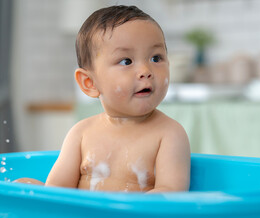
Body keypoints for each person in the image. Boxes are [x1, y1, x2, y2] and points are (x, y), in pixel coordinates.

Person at [15, 5, 190, 193]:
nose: (146, 71)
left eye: (156, 58)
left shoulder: (169, 134)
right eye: (126, 61)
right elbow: (56, 191)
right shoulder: (81, 134)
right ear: (90, 83)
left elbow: (170, 194)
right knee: (22, 184)